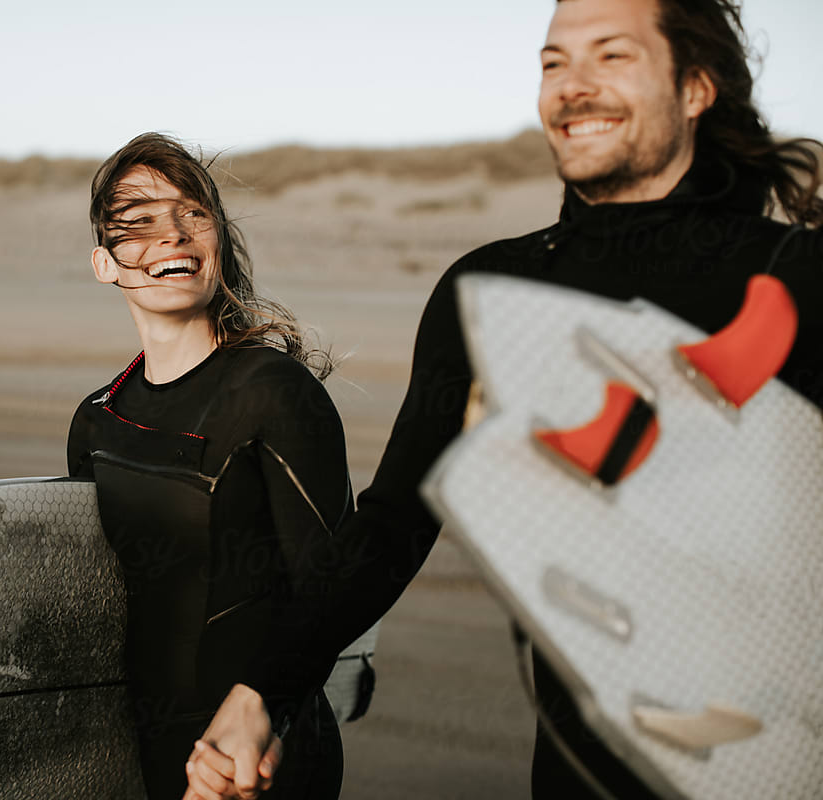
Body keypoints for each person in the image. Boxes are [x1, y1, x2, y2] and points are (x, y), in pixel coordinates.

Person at [184, 0, 823, 797]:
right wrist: (261, 697)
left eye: (612, 57)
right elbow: (390, 527)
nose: (573, 86)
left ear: (696, 87)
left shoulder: (796, 282)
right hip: (577, 771)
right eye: (554, 63)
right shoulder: (495, 295)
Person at [65, 132, 353, 800]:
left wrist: (267, 725)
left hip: (262, 757)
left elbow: (333, 590)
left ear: (216, 241)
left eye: (193, 215)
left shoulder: (272, 393)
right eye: (138, 223)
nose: (171, 236)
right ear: (105, 264)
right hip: (148, 750)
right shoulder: (97, 420)